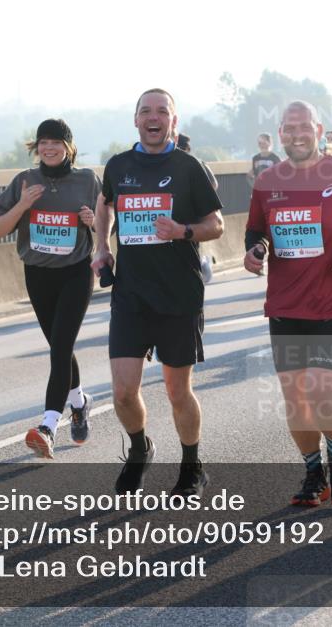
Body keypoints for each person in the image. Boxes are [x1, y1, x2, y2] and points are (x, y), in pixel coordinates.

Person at [92, 88, 224, 497]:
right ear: (135, 120)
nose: (154, 117)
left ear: (173, 121)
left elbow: (216, 224)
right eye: (146, 111)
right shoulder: (118, 165)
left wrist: (183, 231)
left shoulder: (189, 167)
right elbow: (104, 204)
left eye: (162, 111)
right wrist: (102, 246)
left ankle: (192, 465)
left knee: (176, 390)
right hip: (131, 294)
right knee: (122, 391)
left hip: (178, 295)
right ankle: (139, 448)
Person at [244, 101, 332, 507]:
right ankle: (314, 472)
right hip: (285, 303)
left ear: (320, 129)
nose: (296, 134)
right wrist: (255, 251)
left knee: (321, 388)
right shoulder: (267, 181)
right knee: (295, 396)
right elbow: (257, 232)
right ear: (280, 132)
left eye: (304, 126)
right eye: (289, 127)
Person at [0, 119, 100, 459]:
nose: (49, 149)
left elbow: (110, 221)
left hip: (76, 273)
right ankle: (80, 402)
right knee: (59, 347)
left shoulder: (87, 180)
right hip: (38, 274)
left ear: (69, 147)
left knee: (61, 346)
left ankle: (48, 425)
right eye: (44, 143)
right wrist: (22, 205)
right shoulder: (24, 180)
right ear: (36, 147)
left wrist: (92, 221)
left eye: (57, 143)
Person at [175, 133, 218, 284]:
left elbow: (213, 184)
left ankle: (200, 267)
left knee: (191, 241)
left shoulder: (196, 163)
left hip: (195, 213)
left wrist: (201, 200)